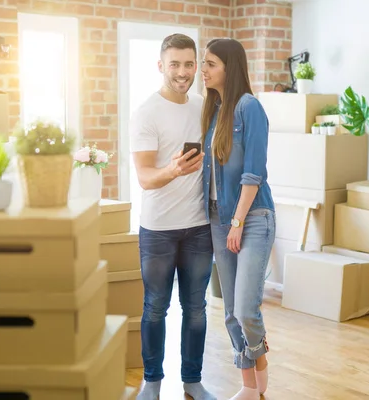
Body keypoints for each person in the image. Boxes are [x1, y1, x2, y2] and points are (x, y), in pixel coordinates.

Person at [129, 33, 216, 400]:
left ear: (197, 66)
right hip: (159, 230)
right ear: (161, 66)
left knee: (196, 308)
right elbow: (146, 178)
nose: (183, 72)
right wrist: (174, 171)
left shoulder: (204, 107)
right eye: (175, 64)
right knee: (155, 308)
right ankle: (152, 382)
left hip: (199, 227)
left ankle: (192, 381)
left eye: (189, 64)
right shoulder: (146, 113)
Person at [200, 38, 276, 400]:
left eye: (210, 63)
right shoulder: (214, 112)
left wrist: (238, 222)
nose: (204, 70)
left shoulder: (250, 108)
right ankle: (249, 389)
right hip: (218, 218)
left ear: (230, 68)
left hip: (253, 216)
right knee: (230, 311)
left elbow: (253, 172)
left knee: (246, 308)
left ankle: (260, 360)